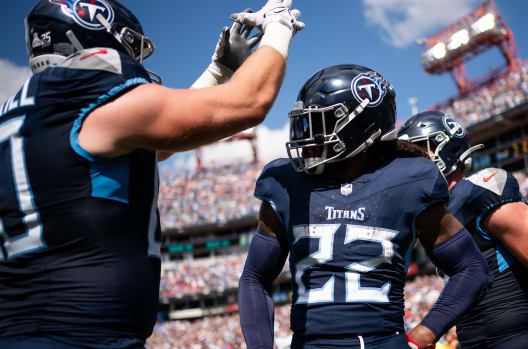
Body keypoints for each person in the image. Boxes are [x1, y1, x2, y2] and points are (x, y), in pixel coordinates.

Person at [0, 0, 304, 347]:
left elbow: (162, 142)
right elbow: (251, 101)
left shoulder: (33, 111)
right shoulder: (85, 100)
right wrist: (279, 28)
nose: (135, 60)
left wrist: (218, 72)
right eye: (129, 46)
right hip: (82, 336)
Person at [238, 64, 492, 349]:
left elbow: (471, 268)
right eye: (304, 123)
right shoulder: (285, 183)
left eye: (318, 123)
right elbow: (254, 278)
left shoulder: (408, 179)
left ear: (362, 127)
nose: (306, 136)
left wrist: (425, 333)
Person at [398, 111, 528, 349]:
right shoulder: (431, 212)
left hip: (513, 340)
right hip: (471, 341)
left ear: (447, 149)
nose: (411, 162)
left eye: (419, 150)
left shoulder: (479, 192)